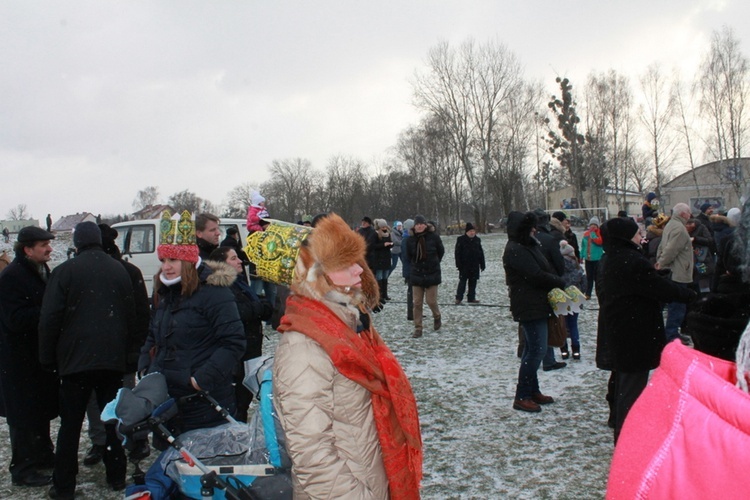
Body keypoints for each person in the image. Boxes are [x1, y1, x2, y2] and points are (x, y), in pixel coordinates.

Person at [268, 213, 422, 498]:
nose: (358, 271)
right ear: (314, 276)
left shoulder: (350, 324)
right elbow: (311, 454)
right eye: (344, 264)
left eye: (356, 261)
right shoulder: (304, 347)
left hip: (369, 474)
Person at [38, 221, 138, 498]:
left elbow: (50, 318)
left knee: (70, 426)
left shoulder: (64, 272)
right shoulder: (118, 270)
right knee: (110, 420)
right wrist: (129, 355)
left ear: (77, 244)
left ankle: (64, 485)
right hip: (111, 359)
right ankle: (116, 475)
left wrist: (47, 358)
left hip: (75, 362)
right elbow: (130, 315)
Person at [138, 210, 245, 435]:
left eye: (173, 260)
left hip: (205, 401)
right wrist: (146, 367)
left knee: (205, 462)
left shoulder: (214, 292)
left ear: (187, 261)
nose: (166, 267)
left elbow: (233, 342)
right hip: (168, 399)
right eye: (163, 260)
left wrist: (200, 380)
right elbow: (153, 333)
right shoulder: (166, 292)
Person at [598, 217, 695, 443]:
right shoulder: (630, 260)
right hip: (634, 332)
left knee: (624, 383)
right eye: (635, 232)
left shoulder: (613, 257)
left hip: (622, 328)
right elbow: (655, 288)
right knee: (631, 388)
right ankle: (627, 440)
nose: (639, 234)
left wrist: (654, 277)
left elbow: (640, 283)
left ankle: (622, 428)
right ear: (625, 235)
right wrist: (688, 294)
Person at [0, 226, 58, 488]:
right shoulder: (12, 277)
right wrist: (49, 312)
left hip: (37, 357)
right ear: (27, 250)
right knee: (23, 416)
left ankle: (43, 455)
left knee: (40, 409)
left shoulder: (40, 270)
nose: (49, 248)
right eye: (43, 244)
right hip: (18, 360)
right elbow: (14, 319)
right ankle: (23, 468)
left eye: (49, 243)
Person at [503, 211, 566, 413]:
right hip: (529, 306)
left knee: (533, 349)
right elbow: (535, 275)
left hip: (537, 303)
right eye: (530, 227)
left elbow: (543, 269)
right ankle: (522, 395)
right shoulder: (515, 249)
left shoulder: (528, 245)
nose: (535, 230)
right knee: (536, 350)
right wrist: (559, 282)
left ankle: (532, 390)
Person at [208, 246, 273, 423]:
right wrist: (259, 308)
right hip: (239, 355)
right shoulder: (221, 287)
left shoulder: (240, 283)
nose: (239, 261)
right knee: (237, 402)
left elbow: (263, 306)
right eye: (233, 258)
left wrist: (261, 307)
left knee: (244, 399)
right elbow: (238, 311)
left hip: (250, 350)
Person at [655, 203, 694, 343]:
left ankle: (670, 332)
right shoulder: (680, 229)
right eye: (688, 212)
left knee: (673, 303)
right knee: (678, 304)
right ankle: (672, 334)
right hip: (679, 271)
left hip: (672, 270)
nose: (690, 215)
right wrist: (661, 263)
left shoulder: (670, 225)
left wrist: (659, 260)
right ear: (683, 214)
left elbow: (662, 246)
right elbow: (672, 249)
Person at [406, 214, 445, 338]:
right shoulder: (410, 240)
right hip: (416, 274)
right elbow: (408, 256)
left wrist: (433, 263)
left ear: (425, 225)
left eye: (422, 224)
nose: (420, 226)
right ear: (414, 226)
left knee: (431, 301)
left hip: (432, 273)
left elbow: (441, 251)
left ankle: (437, 316)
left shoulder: (434, 237)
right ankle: (418, 328)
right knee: (417, 303)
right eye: (417, 224)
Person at [559, 240, 587, 360]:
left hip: (562, 298)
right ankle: (576, 350)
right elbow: (584, 283)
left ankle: (564, 350)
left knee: (563, 325)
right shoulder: (578, 268)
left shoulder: (559, 268)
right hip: (575, 298)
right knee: (573, 325)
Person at [454, 222, 485, 304]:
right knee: (462, 282)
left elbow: (481, 253)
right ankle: (459, 298)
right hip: (464, 265)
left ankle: (471, 298)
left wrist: (482, 264)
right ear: (466, 232)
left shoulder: (477, 240)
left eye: (473, 231)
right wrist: (458, 264)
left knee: (473, 282)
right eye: (470, 231)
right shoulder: (461, 240)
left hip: (475, 265)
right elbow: (457, 253)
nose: (472, 233)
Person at [685, 218, 716, 295]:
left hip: (702, 259)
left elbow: (709, 240)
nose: (687, 226)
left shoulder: (701, 227)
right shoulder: (683, 230)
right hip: (690, 260)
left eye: (689, 224)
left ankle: (704, 299)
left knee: (703, 281)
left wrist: (695, 239)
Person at [370, 219, 394, 307]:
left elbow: (391, 243)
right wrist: (383, 245)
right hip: (379, 258)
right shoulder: (375, 234)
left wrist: (391, 244)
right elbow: (373, 245)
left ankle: (385, 294)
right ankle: (379, 295)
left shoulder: (388, 233)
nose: (384, 228)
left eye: (385, 226)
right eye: (382, 227)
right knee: (379, 277)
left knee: (385, 277)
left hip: (387, 257)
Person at [581, 216, 603, 299]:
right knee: (589, 277)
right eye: (591, 225)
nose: (593, 227)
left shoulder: (600, 233)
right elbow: (583, 246)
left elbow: (599, 242)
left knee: (597, 278)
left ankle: (599, 293)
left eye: (595, 225)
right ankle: (588, 293)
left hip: (597, 259)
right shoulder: (586, 234)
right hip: (588, 259)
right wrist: (581, 255)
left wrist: (593, 235)